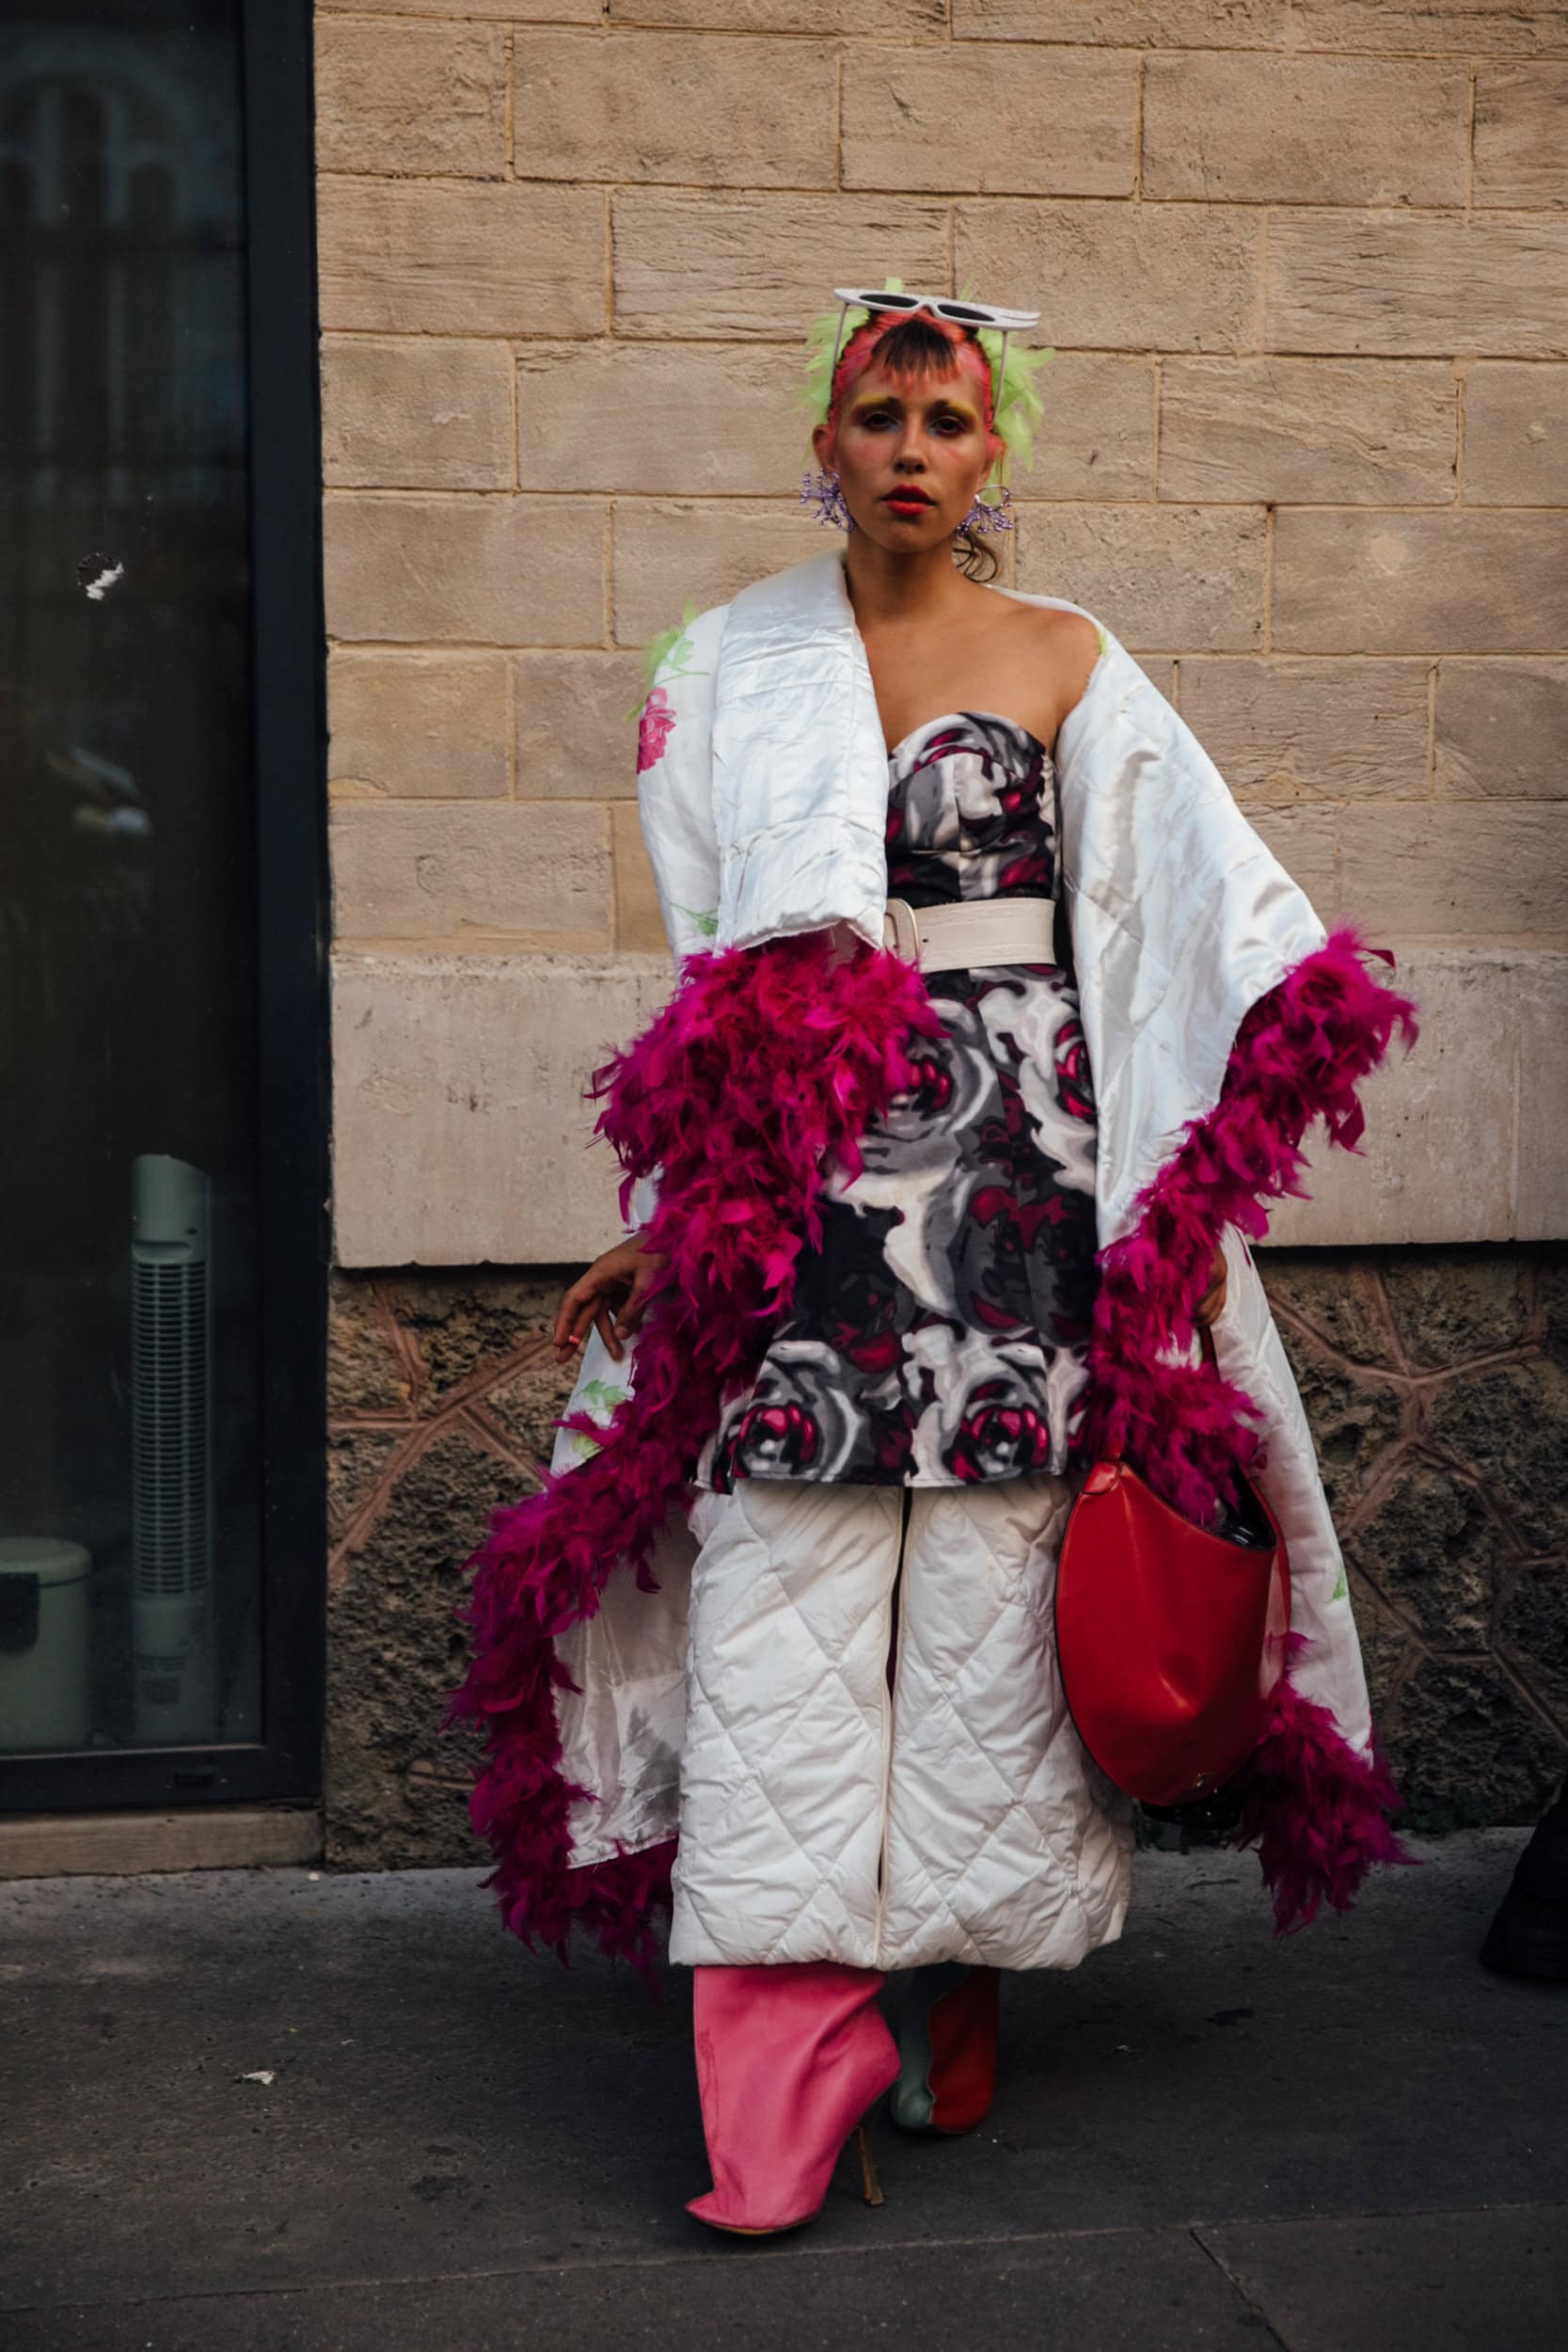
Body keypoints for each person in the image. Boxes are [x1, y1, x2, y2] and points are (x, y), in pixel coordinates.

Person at [448, 287, 1418, 2238]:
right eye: (878, 414)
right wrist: (672, 1217)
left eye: (947, 419)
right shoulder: (727, 663)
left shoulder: (1070, 658)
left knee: (989, 1612)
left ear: (994, 455)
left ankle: (957, 1996)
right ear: (826, 441)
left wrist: (1173, 1209)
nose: (910, 448)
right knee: (782, 1599)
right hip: (800, 1204)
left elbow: (1205, 919)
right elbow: (715, 986)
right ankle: (779, 2087)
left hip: (1023, 1191)